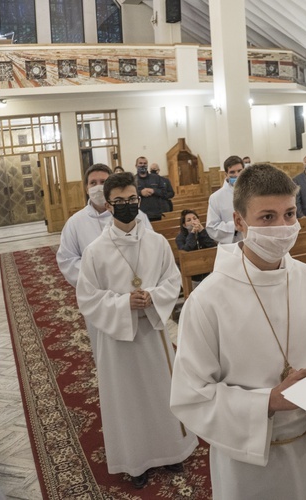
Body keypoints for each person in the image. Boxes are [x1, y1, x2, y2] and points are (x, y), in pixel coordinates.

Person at [170, 164, 306, 500]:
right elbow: (191, 395)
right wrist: (267, 401)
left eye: (290, 214)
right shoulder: (208, 300)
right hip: (248, 459)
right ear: (239, 222)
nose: (282, 227)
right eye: (267, 217)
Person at [76, 172, 198, 489]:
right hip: (119, 339)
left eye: (133, 200)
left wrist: (153, 297)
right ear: (109, 205)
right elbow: (87, 298)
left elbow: (172, 280)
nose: (128, 205)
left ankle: (170, 450)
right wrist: (122, 303)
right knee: (127, 399)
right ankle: (136, 460)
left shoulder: (156, 242)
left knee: (161, 393)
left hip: (152, 333)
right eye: (120, 201)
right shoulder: (95, 251)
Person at [57, 164, 153, 362]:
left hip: (137, 295)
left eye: (103, 182)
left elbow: (151, 251)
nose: (98, 187)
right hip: (101, 300)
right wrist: (98, 280)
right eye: (93, 183)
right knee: (109, 356)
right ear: (85, 187)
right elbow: (67, 260)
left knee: (144, 354)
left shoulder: (137, 216)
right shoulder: (75, 223)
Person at [206, 155, 244, 244]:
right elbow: (212, 228)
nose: (237, 175)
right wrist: (235, 225)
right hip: (231, 246)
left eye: (239, 171)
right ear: (226, 174)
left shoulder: (254, 192)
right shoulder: (216, 197)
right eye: (232, 172)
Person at [135, 156, 172, 221]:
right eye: (140, 163)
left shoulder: (156, 178)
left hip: (156, 214)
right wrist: (140, 193)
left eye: (145, 163)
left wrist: (154, 191)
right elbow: (129, 195)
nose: (143, 165)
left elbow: (165, 193)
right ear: (136, 165)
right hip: (140, 215)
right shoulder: (133, 180)